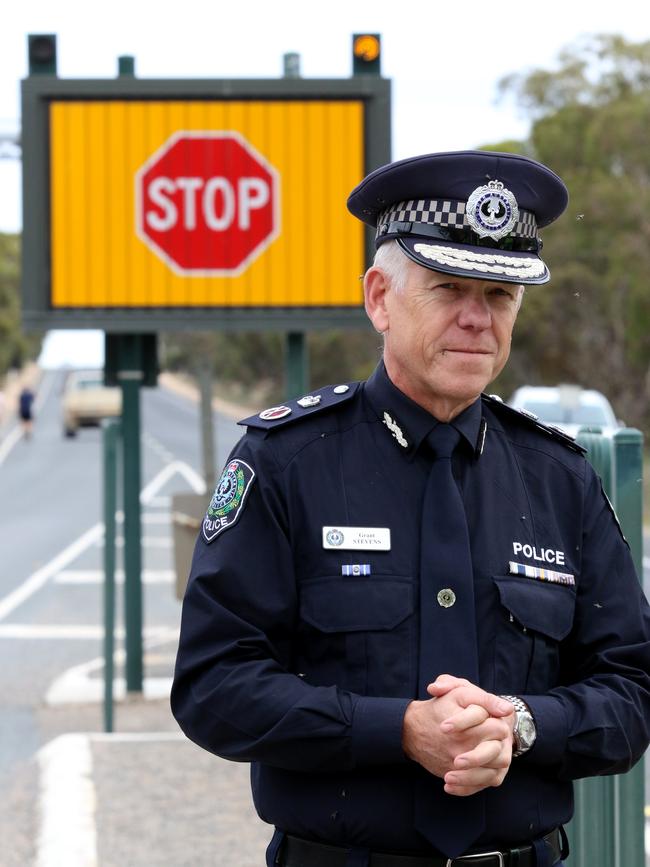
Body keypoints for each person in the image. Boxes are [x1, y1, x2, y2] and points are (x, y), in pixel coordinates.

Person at [171, 150, 650, 867]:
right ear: (379, 298)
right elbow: (213, 685)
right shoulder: (284, 463)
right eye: (449, 287)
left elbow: (632, 688)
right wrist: (395, 728)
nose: (475, 319)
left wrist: (522, 724)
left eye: (498, 295)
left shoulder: (559, 478)